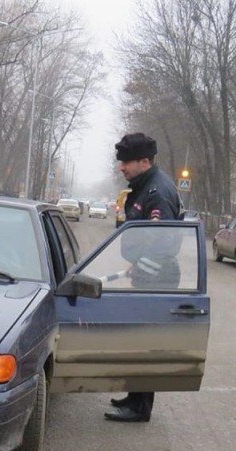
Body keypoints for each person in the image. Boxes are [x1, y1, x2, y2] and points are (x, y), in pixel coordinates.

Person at [104, 132, 182, 423]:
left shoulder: (157, 191)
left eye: (126, 162)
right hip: (147, 273)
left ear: (144, 161)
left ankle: (140, 408)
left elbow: (166, 243)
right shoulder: (144, 186)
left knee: (146, 341)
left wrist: (142, 268)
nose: (121, 167)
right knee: (137, 339)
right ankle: (135, 396)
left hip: (157, 278)